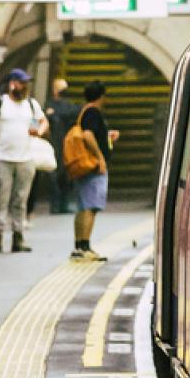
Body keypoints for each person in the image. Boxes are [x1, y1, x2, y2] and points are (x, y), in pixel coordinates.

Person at [0, 68, 48, 253]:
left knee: (21, 199)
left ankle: (18, 237)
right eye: (21, 82)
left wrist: (37, 130)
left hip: (25, 158)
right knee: (1, 198)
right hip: (3, 157)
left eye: (26, 83)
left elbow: (42, 121)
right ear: (12, 83)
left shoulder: (31, 104)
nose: (25, 86)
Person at [69, 82, 119, 262]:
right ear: (101, 96)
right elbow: (88, 135)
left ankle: (78, 247)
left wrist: (107, 136)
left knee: (83, 206)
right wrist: (100, 158)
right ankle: (85, 246)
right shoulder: (93, 112)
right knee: (91, 207)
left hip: (86, 166)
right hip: (93, 166)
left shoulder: (85, 111)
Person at [44, 77, 80, 215]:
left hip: (68, 144)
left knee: (67, 175)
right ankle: (56, 204)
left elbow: (75, 113)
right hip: (54, 144)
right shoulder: (49, 104)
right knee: (54, 176)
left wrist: (56, 114)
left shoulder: (67, 105)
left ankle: (64, 203)